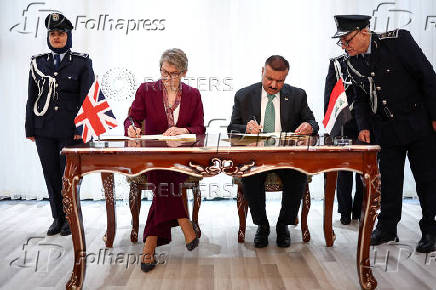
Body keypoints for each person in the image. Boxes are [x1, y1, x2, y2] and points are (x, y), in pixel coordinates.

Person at [332, 15, 436, 253]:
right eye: (342, 43)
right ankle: (387, 228)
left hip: (417, 122)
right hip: (385, 129)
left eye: (347, 41)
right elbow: (358, 98)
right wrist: (364, 126)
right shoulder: (351, 62)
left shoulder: (398, 41)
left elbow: (427, 76)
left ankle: (431, 229)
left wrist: (434, 117)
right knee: (389, 181)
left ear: (363, 33)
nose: (345, 47)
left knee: (427, 179)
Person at [124, 48, 205, 272]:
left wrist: (183, 129)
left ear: (184, 73)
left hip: (182, 156)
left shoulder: (193, 94)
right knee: (162, 172)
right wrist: (131, 127)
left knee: (165, 179)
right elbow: (132, 117)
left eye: (174, 73)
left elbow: (199, 128)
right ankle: (183, 221)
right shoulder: (146, 90)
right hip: (152, 156)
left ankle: (149, 246)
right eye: (164, 72)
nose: (168, 78)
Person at [227, 55, 319, 248]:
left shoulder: (297, 95)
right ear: (262, 71)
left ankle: (283, 224)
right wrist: (246, 128)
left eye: (280, 81)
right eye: (270, 79)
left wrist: (308, 126)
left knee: (298, 174)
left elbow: (313, 122)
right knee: (250, 174)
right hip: (257, 157)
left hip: (286, 156)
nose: (274, 85)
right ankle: (262, 225)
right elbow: (232, 129)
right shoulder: (244, 95)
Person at [25, 13, 94, 236]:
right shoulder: (38, 63)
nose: (56, 37)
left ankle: (70, 218)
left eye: (61, 33)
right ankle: (57, 218)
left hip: (69, 131)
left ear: (68, 36)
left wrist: (80, 130)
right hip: (43, 129)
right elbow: (31, 97)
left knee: (69, 176)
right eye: (52, 34)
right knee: (50, 173)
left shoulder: (82, 63)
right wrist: (30, 128)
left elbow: (87, 98)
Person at [324, 55, 364, 225]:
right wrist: (329, 128)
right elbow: (329, 95)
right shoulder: (337, 63)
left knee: (364, 169)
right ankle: (345, 211)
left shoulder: (369, 60)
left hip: (366, 126)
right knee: (344, 168)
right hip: (343, 124)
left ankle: (359, 209)